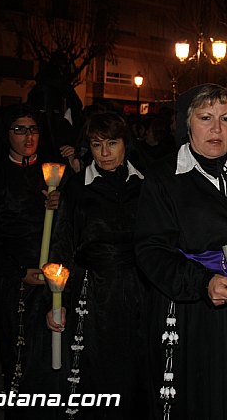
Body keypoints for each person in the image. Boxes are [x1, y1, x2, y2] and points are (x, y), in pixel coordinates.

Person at [134, 84, 227, 419]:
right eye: (205, 118)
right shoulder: (164, 178)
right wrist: (203, 283)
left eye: (226, 118)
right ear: (187, 124)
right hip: (189, 309)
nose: (216, 129)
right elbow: (151, 249)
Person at [45, 112, 147, 419]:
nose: (104, 153)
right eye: (97, 144)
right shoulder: (77, 188)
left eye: (112, 143)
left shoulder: (145, 185)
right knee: (95, 367)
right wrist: (56, 302)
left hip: (138, 290)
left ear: (125, 144)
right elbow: (62, 244)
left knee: (136, 368)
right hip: (91, 291)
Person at [0, 104, 61, 419]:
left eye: (33, 128)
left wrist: (63, 204)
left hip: (54, 280)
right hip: (15, 281)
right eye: (19, 129)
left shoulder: (56, 174)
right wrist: (17, 272)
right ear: (6, 134)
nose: (28, 136)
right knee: (19, 354)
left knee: (54, 356)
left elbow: (76, 226)